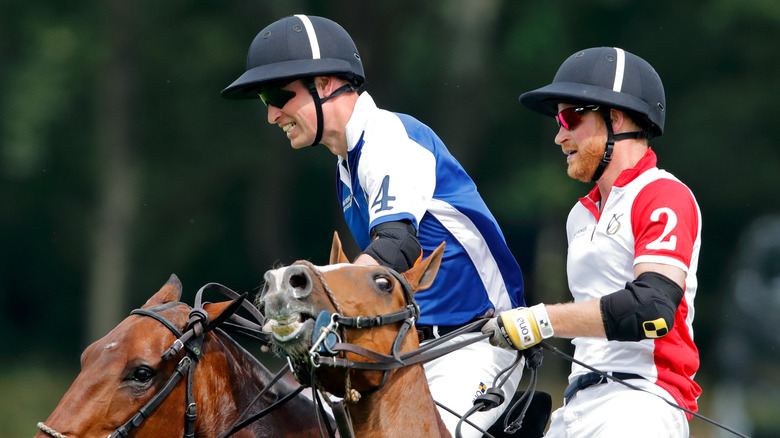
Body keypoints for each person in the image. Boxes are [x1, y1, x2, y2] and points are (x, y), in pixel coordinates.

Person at [221, 14, 526, 437]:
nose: (273, 114)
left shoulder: (388, 138)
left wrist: (312, 287)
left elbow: (397, 245)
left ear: (325, 83)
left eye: (278, 94)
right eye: (264, 101)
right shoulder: (347, 164)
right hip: (406, 346)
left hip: (475, 343)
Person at [482, 47, 701, 437]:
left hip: (643, 403)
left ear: (614, 119)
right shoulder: (579, 215)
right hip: (577, 404)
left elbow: (650, 309)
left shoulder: (663, 193)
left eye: (570, 117)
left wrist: (540, 321)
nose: (559, 135)